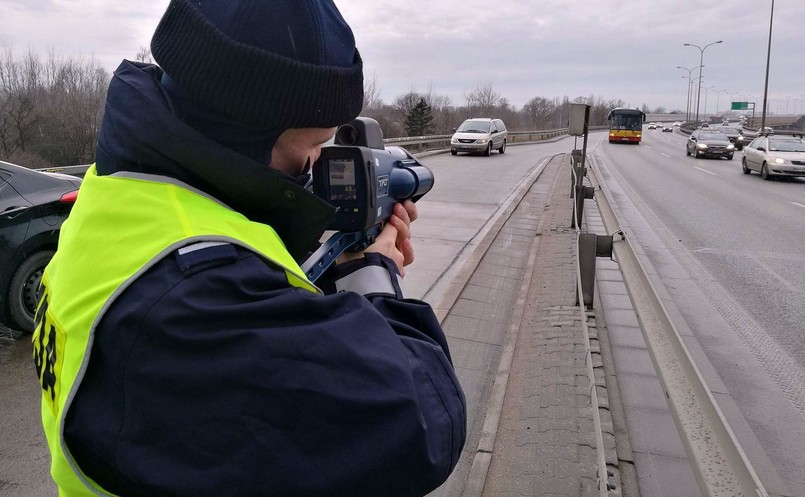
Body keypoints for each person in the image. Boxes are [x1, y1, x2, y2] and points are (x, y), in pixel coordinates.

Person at [31, 1, 466, 496]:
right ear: (251, 133)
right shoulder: (199, 298)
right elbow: (422, 421)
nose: (318, 162)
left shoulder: (120, 192)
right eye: (314, 144)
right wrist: (375, 274)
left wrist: (327, 266)